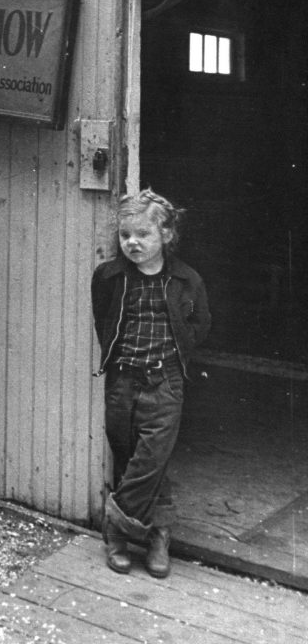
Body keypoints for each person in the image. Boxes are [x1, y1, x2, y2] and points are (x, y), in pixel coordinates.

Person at [91, 189, 210, 578]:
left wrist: (174, 358)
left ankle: (117, 531)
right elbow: (103, 320)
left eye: (143, 234)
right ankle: (158, 533)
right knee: (129, 457)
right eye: (126, 235)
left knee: (151, 458)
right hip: (123, 381)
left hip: (165, 382)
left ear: (167, 235)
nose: (133, 243)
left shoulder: (186, 280)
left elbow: (200, 326)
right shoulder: (108, 277)